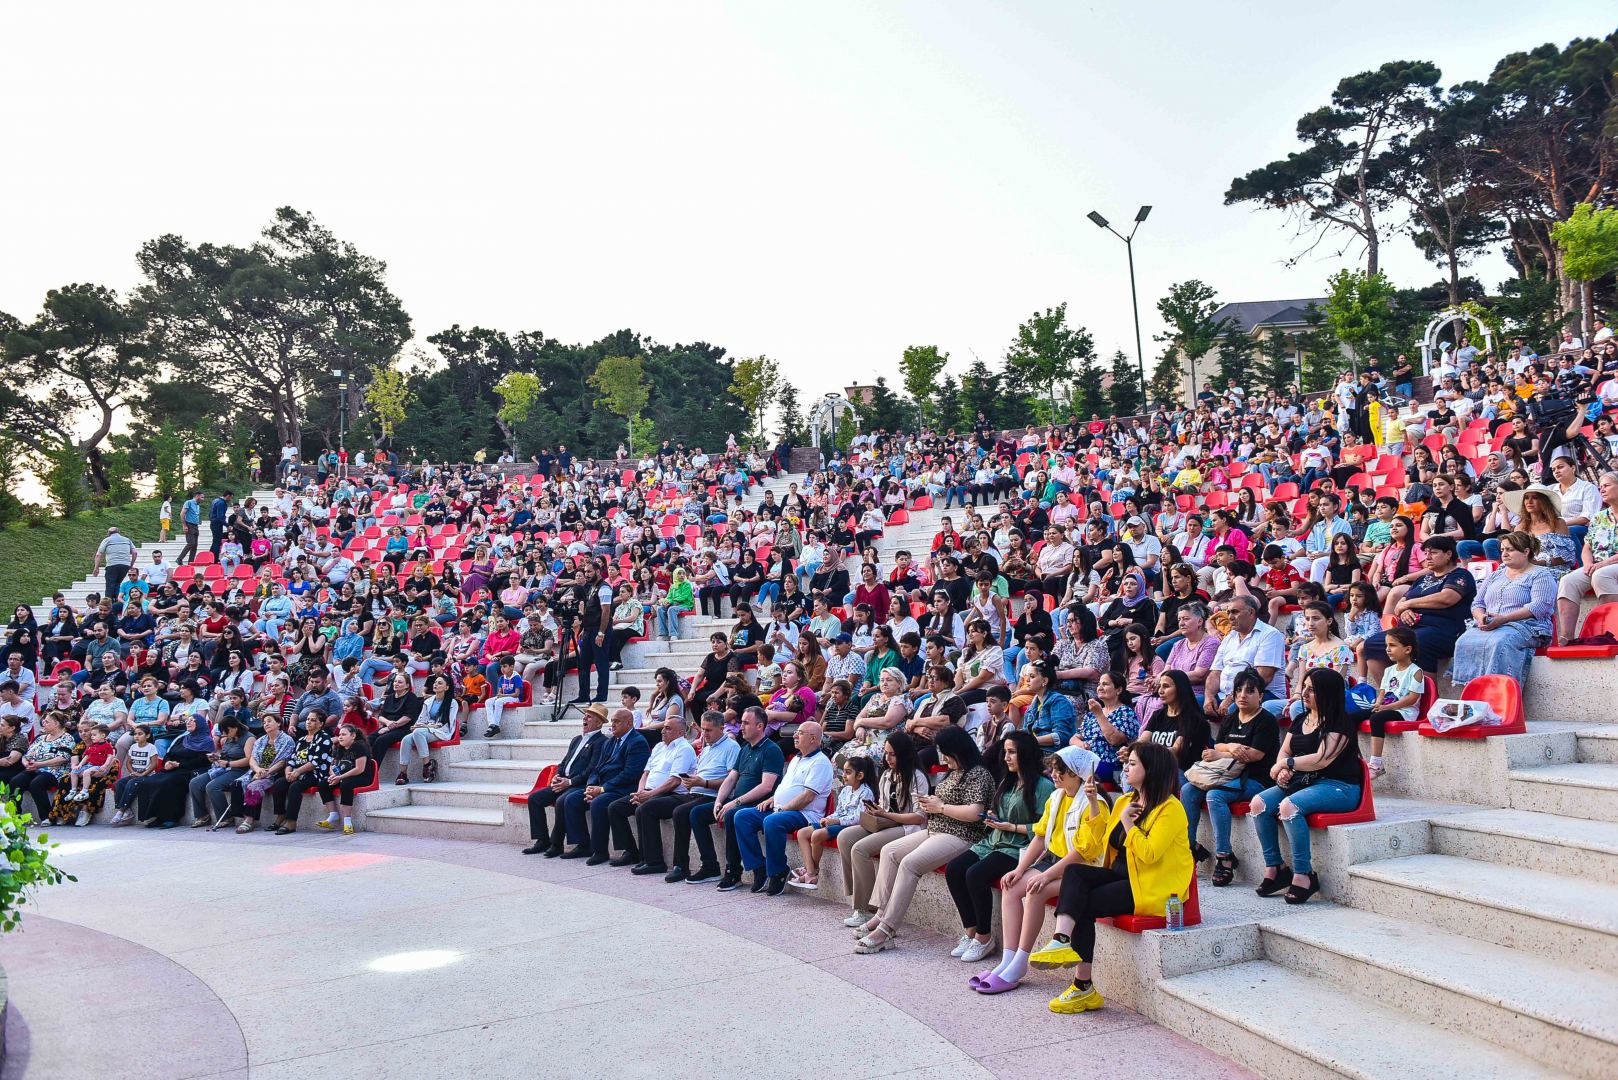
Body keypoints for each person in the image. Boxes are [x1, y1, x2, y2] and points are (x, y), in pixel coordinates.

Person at [1030, 741, 1192, 1014]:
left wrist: (1129, 824)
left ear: (1150, 769)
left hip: (1149, 886)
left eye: (1132, 763)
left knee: (1084, 902)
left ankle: (1082, 986)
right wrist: (1094, 803)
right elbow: (1106, 841)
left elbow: (1150, 854)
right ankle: (1061, 940)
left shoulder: (1171, 808)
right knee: (1075, 872)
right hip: (1121, 875)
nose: (1125, 768)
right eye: (1126, 763)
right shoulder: (1127, 801)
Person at [853, 726, 993, 954]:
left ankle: (887, 929)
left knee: (910, 863)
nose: (943, 758)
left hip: (961, 834)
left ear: (958, 750)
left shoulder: (978, 773)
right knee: (890, 851)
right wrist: (932, 803)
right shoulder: (954, 771)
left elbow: (975, 813)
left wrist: (941, 807)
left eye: (946, 752)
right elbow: (944, 803)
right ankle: (881, 913)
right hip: (937, 828)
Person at [969, 745, 1095, 994]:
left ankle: (1020, 962)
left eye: (1060, 771)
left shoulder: (1092, 802)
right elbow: (1039, 837)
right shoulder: (1056, 797)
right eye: (1054, 770)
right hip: (1053, 860)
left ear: (1076, 773)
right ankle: (1008, 957)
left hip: (1079, 869)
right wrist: (1019, 868)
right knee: (1012, 885)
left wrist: (1046, 874)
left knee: (1035, 890)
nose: (1054, 775)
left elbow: (1081, 853)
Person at [1250, 667, 1363, 905]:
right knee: (1258, 803)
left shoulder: (1340, 722)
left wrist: (1286, 764)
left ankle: (1304, 875)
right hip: (1303, 781)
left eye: (1313, 690)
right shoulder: (1301, 719)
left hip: (1338, 786)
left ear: (1328, 693)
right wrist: (1283, 768)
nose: (1305, 693)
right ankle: (1276, 868)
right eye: (1305, 688)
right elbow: (1286, 748)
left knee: (1289, 807)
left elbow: (1322, 759)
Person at [943, 731, 1052, 964]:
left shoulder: (1043, 787)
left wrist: (1011, 826)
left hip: (1019, 848)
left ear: (1025, 753)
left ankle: (984, 938)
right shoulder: (1008, 782)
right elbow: (1002, 816)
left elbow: (1044, 829)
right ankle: (970, 931)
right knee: (954, 870)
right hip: (994, 841)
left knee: (975, 875)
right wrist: (993, 817)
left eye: (1012, 752)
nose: (1006, 757)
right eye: (1005, 752)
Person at [1180, 668, 1279, 887]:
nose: (1243, 695)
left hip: (1255, 780)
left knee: (1215, 796)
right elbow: (1221, 744)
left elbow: (1254, 755)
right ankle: (1188, 847)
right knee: (1188, 790)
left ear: (1261, 695)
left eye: (1250, 691)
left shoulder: (1266, 720)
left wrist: (1221, 752)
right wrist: (1232, 747)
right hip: (1224, 775)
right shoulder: (1232, 717)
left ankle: (1224, 857)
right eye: (1239, 690)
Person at [729, 721, 835, 895]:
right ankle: (759, 867)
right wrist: (772, 800)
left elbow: (807, 797)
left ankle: (778, 871)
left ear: (813, 738)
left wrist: (782, 808)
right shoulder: (796, 759)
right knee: (742, 816)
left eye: (799, 732)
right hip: (783, 809)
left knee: (772, 821)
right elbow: (787, 787)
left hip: (805, 814)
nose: (794, 735)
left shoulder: (820, 762)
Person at [835, 732, 928, 928]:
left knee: (860, 849)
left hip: (907, 826)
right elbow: (883, 805)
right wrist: (876, 811)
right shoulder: (886, 774)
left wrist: (886, 815)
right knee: (844, 837)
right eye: (886, 753)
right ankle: (857, 894)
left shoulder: (917, 777)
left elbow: (920, 817)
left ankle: (865, 908)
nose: (888, 758)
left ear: (904, 753)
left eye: (892, 754)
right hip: (885, 821)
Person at [1359, 536, 1477, 686]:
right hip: (1410, 629)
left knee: (1417, 642)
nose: (1427, 557)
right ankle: (1391, 693)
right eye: (1426, 553)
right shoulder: (1423, 579)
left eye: (1433, 552)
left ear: (1448, 554)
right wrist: (1404, 611)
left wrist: (1408, 604)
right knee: (1371, 645)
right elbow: (1400, 605)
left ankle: (1427, 697)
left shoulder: (1460, 575)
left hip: (1443, 630)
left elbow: (1446, 598)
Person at [685, 707, 782, 887]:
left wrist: (734, 802)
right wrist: (719, 801)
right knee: (697, 814)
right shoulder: (745, 748)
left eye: (746, 723)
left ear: (760, 726)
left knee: (731, 814)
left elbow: (766, 786)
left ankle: (733, 871)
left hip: (759, 804)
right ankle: (709, 865)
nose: (741, 727)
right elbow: (731, 778)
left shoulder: (771, 750)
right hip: (738, 801)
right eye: (741, 722)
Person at [1450, 531, 1555, 687]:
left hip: (1527, 626)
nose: (1504, 554)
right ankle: (1473, 689)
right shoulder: (1495, 575)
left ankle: (1499, 690)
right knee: (1464, 640)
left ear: (1526, 552)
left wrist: (1504, 619)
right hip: (1492, 624)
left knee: (1500, 641)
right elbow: (1477, 603)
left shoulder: (1541, 575)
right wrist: (1480, 618)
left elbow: (1538, 606)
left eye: (1510, 550)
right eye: (1502, 550)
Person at [558, 707, 650, 864]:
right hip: (604, 786)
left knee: (600, 803)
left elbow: (630, 774)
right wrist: (591, 785)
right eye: (612, 721)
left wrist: (601, 789)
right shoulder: (611, 741)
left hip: (624, 788)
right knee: (572, 799)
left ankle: (604, 851)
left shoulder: (637, 742)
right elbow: (596, 768)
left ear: (629, 723)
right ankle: (582, 845)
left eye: (616, 722)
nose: (612, 725)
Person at [605, 714, 698, 869]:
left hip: (673, 794)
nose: (663, 731)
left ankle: (654, 861)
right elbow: (646, 773)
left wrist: (649, 795)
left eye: (668, 728)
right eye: (663, 728)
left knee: (645, 809)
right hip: (649, 791)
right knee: (615, 807)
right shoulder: (659, 747)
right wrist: (640, 792)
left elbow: (675, 781)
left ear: (681, 732)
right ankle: (631, 852)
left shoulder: (684, 749)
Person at [523, 702, 609, 856]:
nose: (585, 719)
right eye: (585, 716)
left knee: (563, 801)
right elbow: (565, 761)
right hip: (564, 782)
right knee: (535, 799)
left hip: (579, 784)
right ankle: (542, 840)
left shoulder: (601, 742)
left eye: (589, 717)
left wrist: (569, 782)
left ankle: (558, 845)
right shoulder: (577, 739)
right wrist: (558, 775)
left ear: (599, 722)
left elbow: (592, 769)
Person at [789, 755, 876, 890]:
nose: (844, 776)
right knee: (802, 833)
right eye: (843, 772)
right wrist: (828, 819)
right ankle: (810, 869)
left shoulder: (866, 792)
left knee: (816, 835)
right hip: (837, 821)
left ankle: (811, 873)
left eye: (848, 772)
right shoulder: (845, 790)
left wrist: (835, 821)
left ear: (859, 776)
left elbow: (859, 817)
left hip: (849, 826)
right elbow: (839, 811)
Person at [1555, 472, 1618, 645]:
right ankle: (1566, 637)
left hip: (1609, 566)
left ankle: (1611, 633)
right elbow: (1587, 547)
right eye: (1601, 486)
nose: (1601, 489)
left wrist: (1603, 564)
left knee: (1602, 575)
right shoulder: (1599, 517)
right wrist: (1588, 563)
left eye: (1607, 485)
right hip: (1598, 565)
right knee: (1568, 580)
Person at [1359, 626, 1424, 780]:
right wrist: (1378, 703)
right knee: (1351, 716)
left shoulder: (1416, 671)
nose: (1388, 649)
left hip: (1405, 712)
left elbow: (1412, 698)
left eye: (1392, 645)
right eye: (1387, 645)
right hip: (1386, 707)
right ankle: (1355, 759)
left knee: (1377, 718)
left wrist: (1386, 707)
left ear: (1408, 649)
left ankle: (1376, 764)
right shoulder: (1389, 670)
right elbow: (1382, 691)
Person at [1207, 595, 1287, 715]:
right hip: (1226, 695)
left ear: (1251, 612)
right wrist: (1209, 697)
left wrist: (1232, 698)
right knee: (1191, 703)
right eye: (1228, 612)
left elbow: (1263, 676)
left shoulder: (1270, 635)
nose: (1229, 617)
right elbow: (1215, 672)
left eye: (1234, 612)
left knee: (1234, 709)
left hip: (1260, 693)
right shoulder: (1229, 637)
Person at [134, 712, 213, 829]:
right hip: (172, 768)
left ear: (200, 724)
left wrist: (179, 764)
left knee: (167, 783)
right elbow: (169, 754)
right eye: (188, 720)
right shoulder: (182, 738)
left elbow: (203, 761)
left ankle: (171, 817)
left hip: (189, 771)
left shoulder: (207, 741)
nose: (188, 722)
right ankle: (156, 816)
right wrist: (167, 762)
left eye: (193, 720)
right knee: (148, 781)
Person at [398, 674, 458, 784]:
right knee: (406, 739)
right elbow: (422, 719)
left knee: (418, 732)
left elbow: (447, 723)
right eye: (435, 683)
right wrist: (418, 725)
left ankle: (427, 766)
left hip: (442, 730)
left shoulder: (452, 703)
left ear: (447, 687)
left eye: (440, 683)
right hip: (426, 730)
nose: (436, 685)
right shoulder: (428, 701)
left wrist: (423, 727)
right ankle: (403, 773)